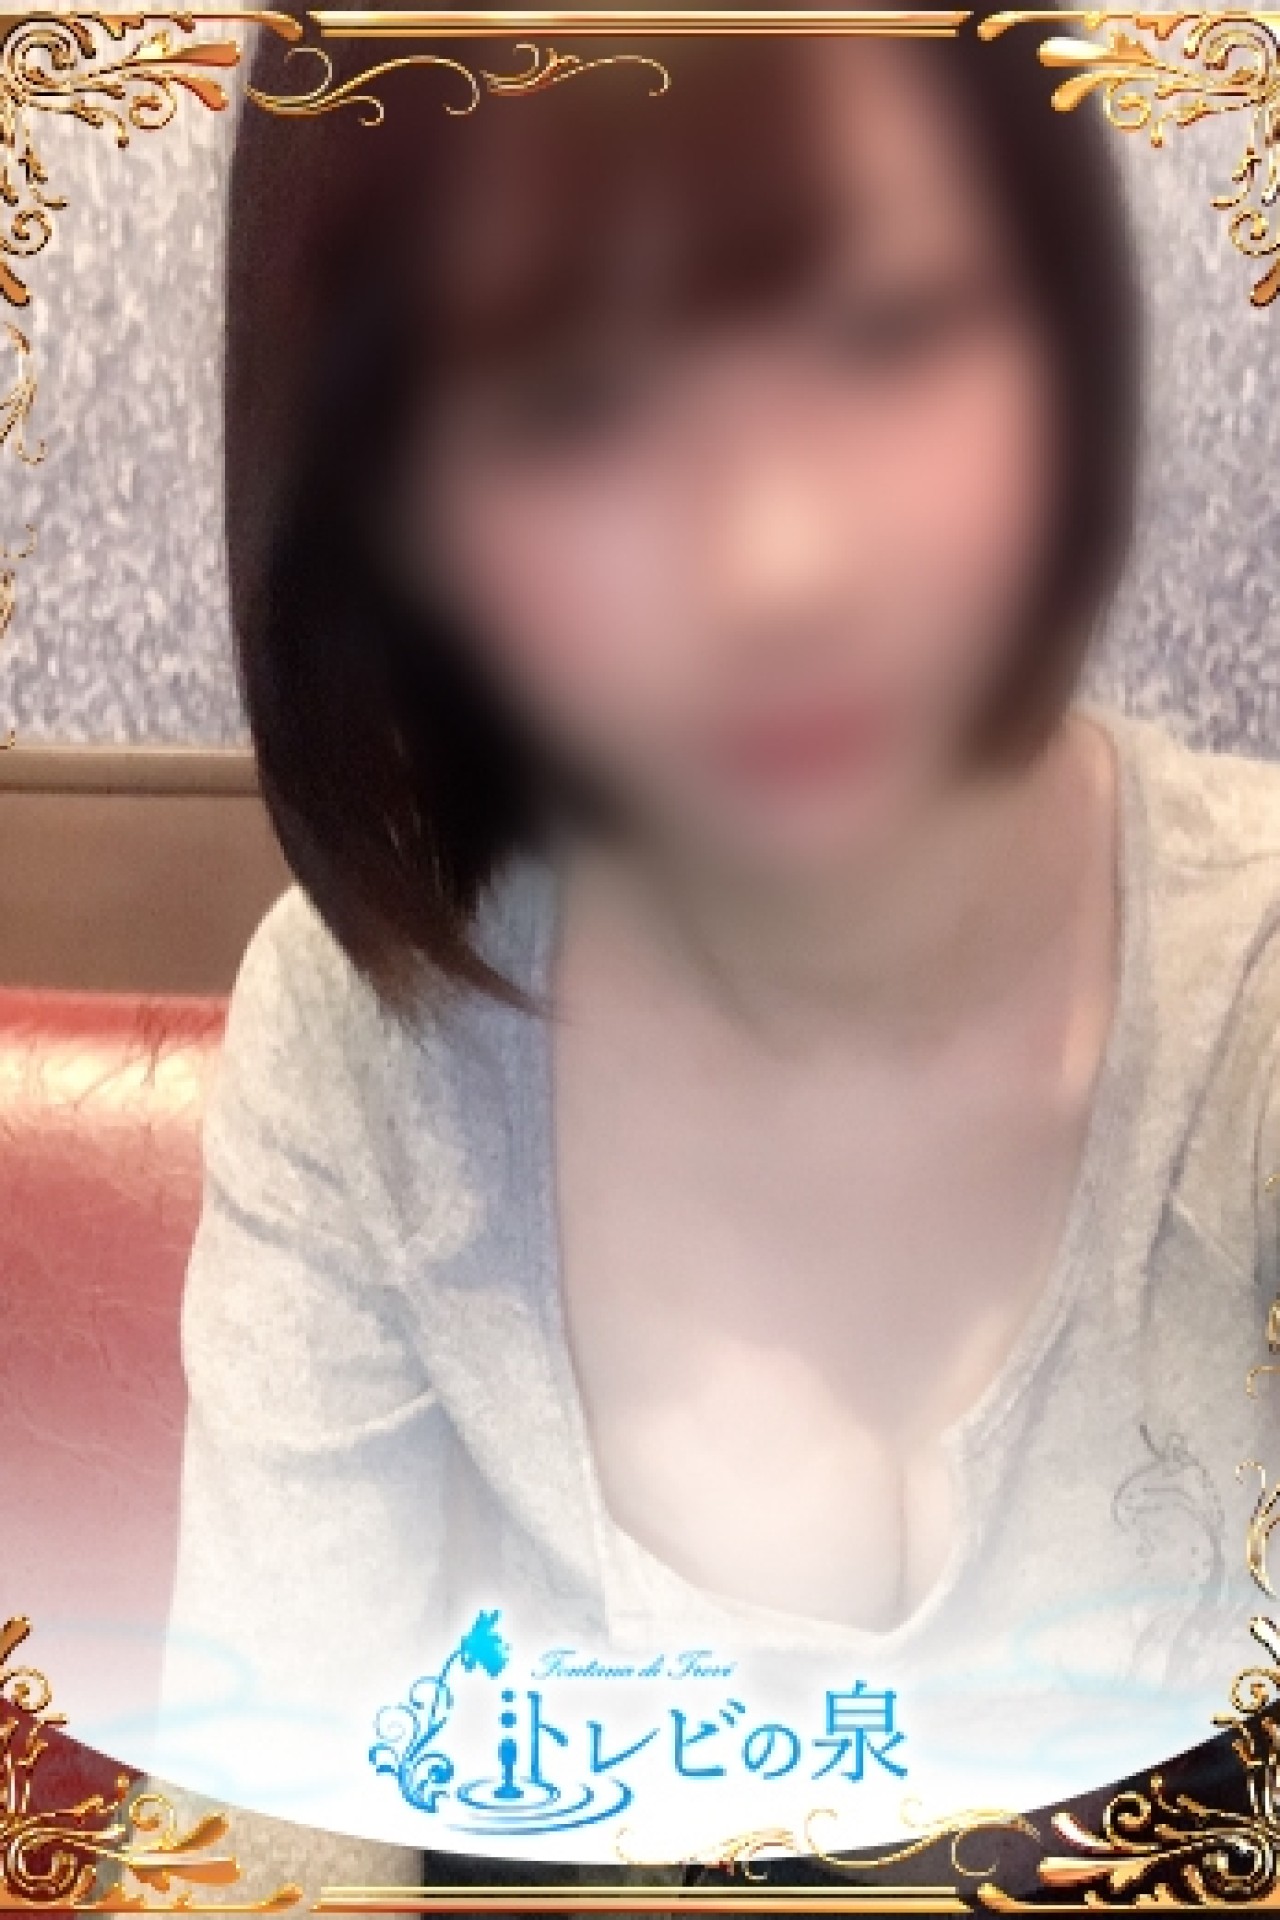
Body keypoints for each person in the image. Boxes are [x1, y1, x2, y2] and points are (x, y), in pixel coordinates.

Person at [158, 0, 1280, 1857]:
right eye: (569, 406)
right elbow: (260, 1846)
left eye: (890, 327)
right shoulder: (366, 1053)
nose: (782, 566)